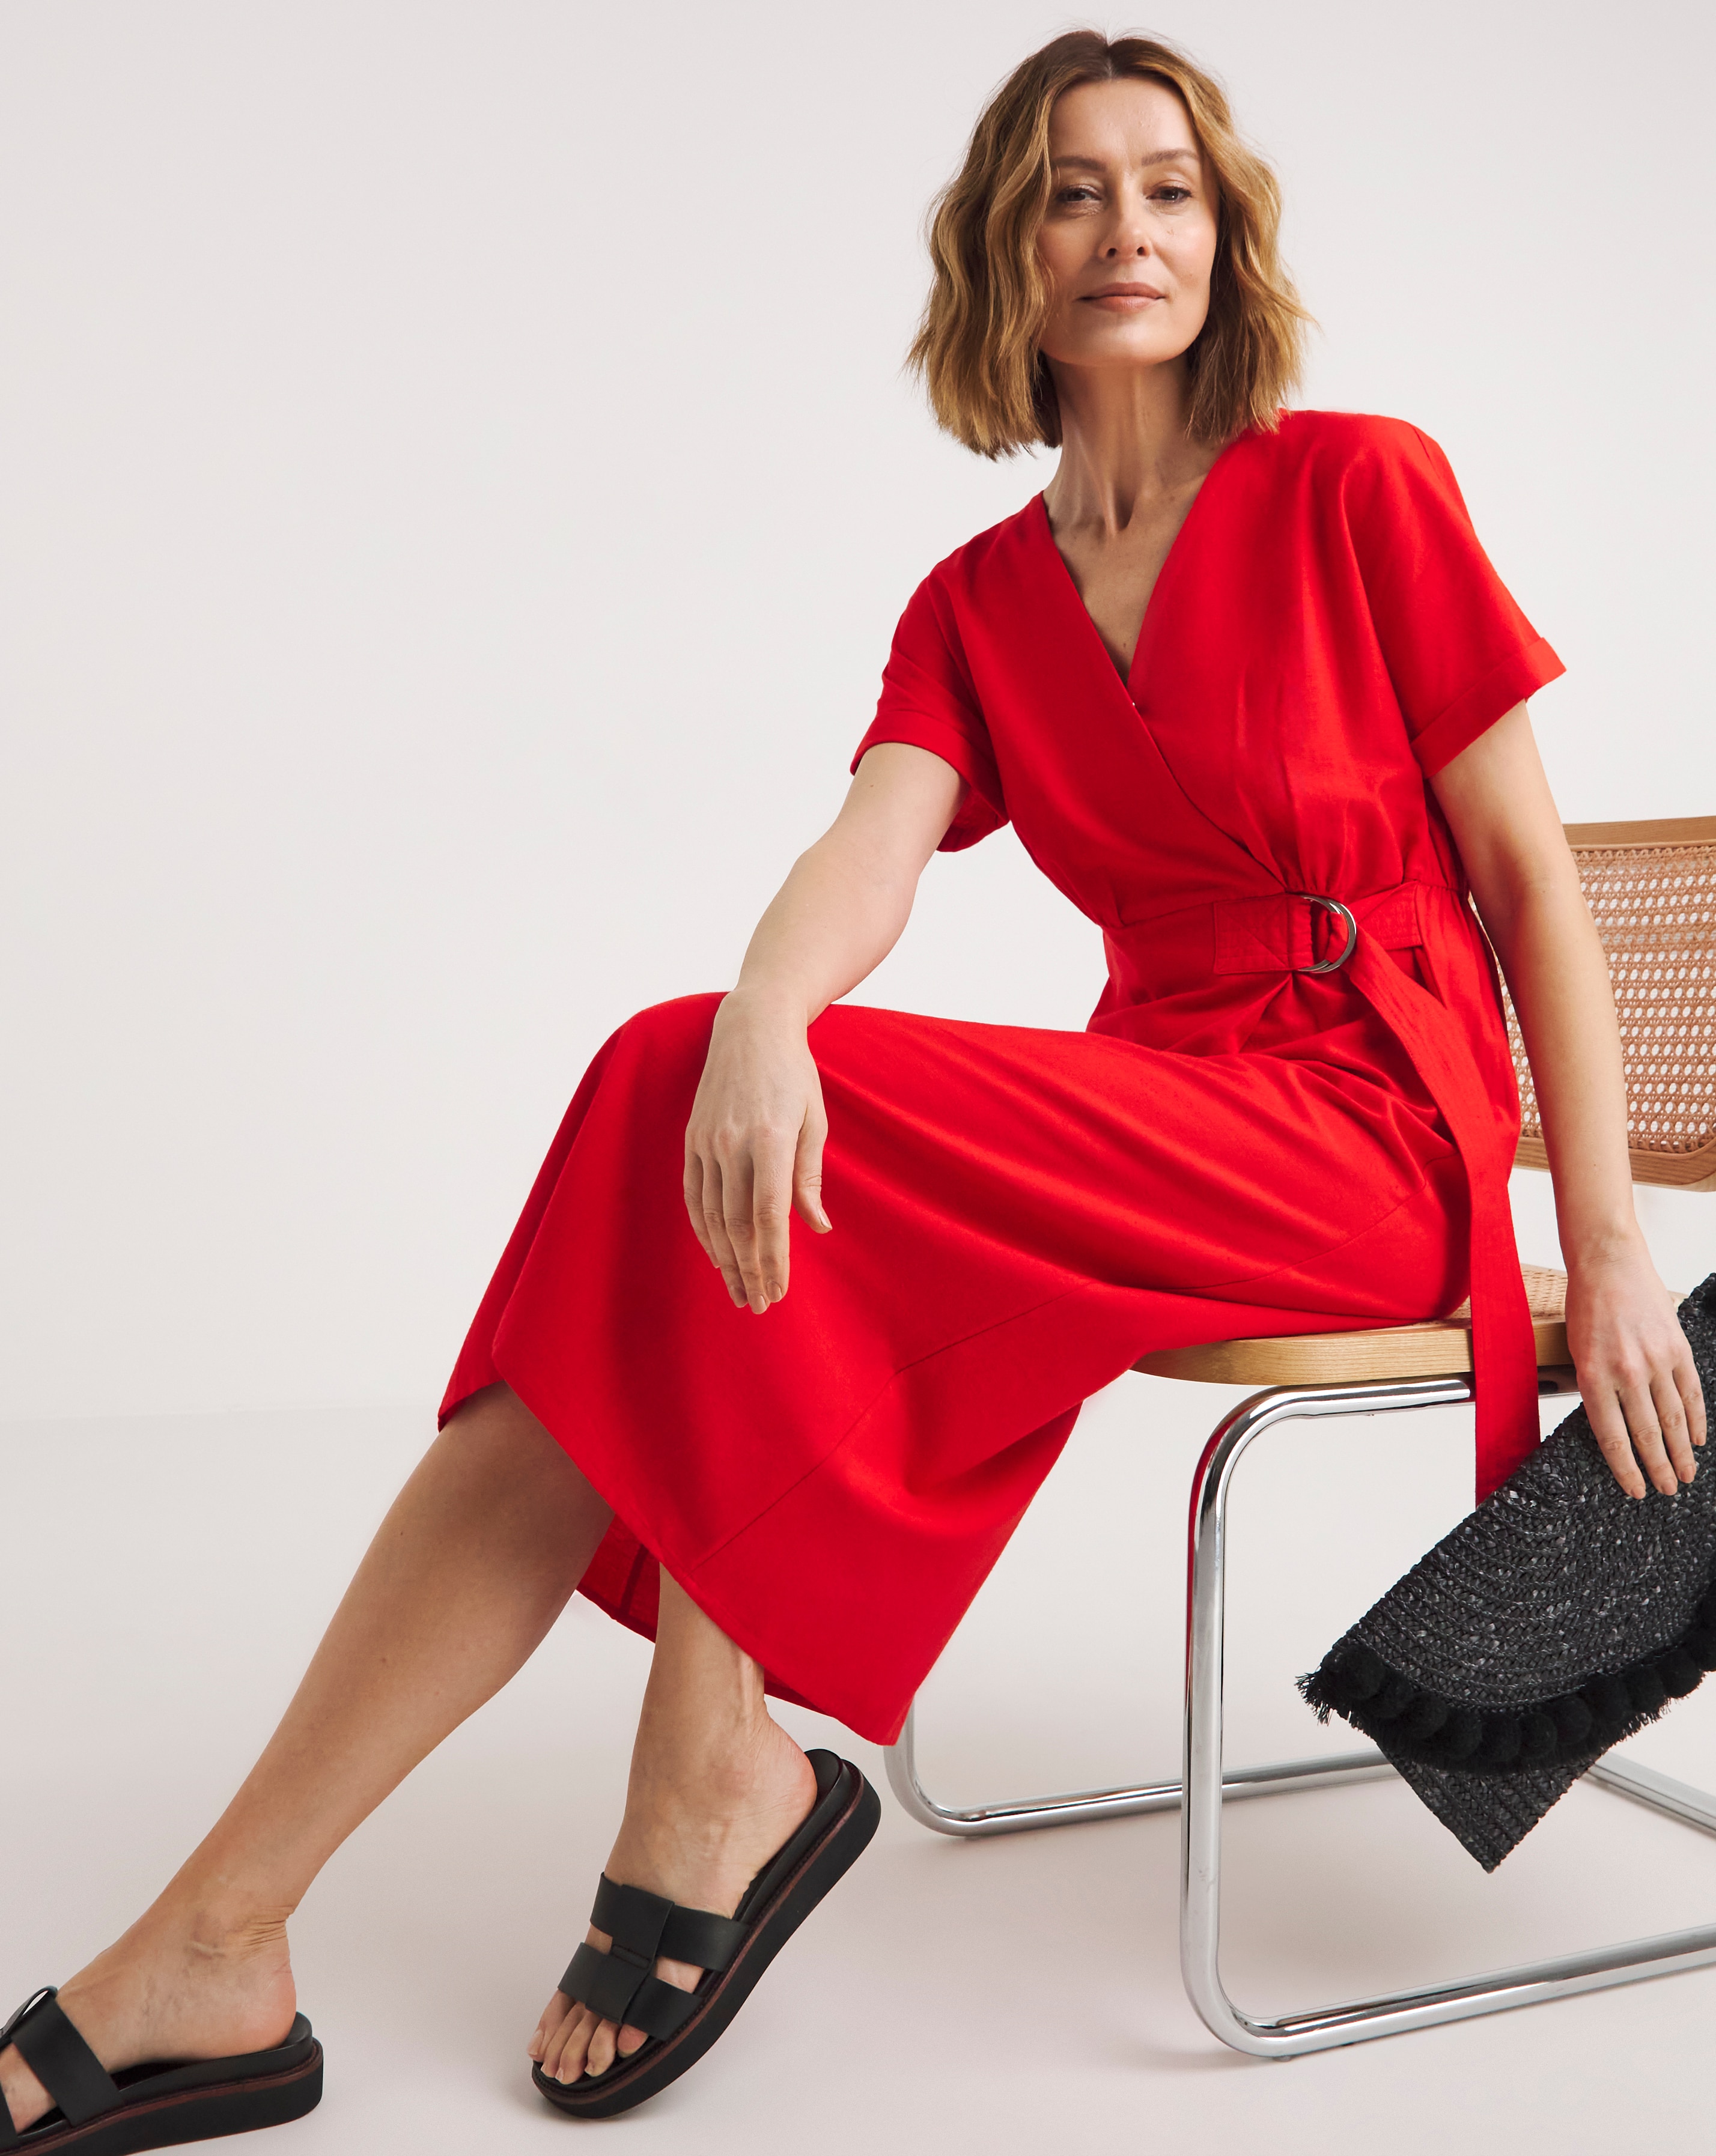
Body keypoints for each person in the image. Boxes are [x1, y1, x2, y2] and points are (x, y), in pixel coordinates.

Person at [4, 26, 1705, 2146]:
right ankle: (235, 1923)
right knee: (677, 1163)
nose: (1126, 229)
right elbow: (871, 849)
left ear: (1225, 235)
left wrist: (1603, 1243)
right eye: (1072, 190)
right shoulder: (978, 602)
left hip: (1367, 1139)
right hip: (1164, 1116)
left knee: (684, 1097)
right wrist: (764, 1012)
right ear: (1010, 249)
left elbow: (1530, 877)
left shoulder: (1359, 484)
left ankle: (692, 1779)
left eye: (1168, 186)